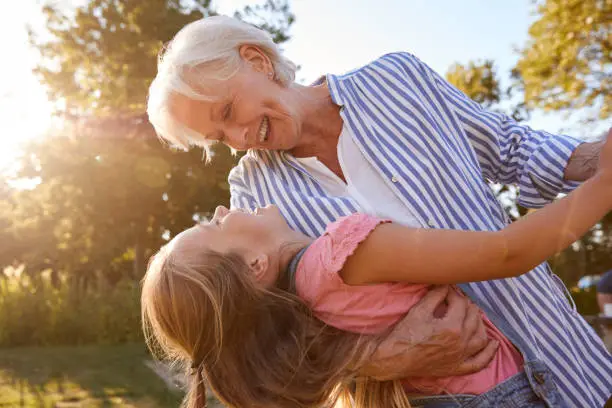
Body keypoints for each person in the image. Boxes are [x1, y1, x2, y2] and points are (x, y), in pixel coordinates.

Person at [146, 15, 612, 406]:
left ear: (257, 60)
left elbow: (516, 150)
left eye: (228, 112)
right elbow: (270, 340)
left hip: (562, 357)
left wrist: (601, 159)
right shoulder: (252, 193)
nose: (239, 138)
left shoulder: (397, 79)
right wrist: (379, 356)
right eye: (219, 138)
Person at [141, 139, 612, 408]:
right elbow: (509, 252)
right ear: (254, 265)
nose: (224, 208)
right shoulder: (349, 249)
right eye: (214, 224)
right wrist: (604, 184)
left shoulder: (307, 301)